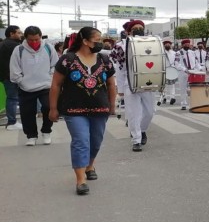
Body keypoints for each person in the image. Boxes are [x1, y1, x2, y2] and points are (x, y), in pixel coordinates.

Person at [48, 27, 117, 195]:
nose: (100, 43)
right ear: (85, 41)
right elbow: (56, 84)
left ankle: (90, 165)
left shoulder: (105, 59)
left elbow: (110, 84)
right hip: (74, 109)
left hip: (99, 107)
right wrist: (53, 108)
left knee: (96, 141)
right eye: (96, 40)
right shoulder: (67, 60)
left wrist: (112, 105)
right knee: (81, 141)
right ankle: (80, 180)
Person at [9, 25, 58, 146]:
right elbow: (14, 69)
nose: (34, 42)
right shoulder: (19, 50)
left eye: (37, 39)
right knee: (27, 112)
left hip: (46, 86)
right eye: (31, 40)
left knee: (48, 107)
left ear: (41, 37)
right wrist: (21, 81)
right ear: (25, 38)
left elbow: (55, 65)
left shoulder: (48, 47)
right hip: (26, 87)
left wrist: (50, 77)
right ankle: (31, 135)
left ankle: (46, 131)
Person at [110, 20, 155, 151]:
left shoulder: (150, 43)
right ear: (128, 32)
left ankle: (142, 130)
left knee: (150, 112)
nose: (139, 30)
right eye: (135, 28)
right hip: (129, 83)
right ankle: (136, 139)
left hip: (148, 82)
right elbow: (119, 68)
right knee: (133, 113)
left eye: (141, 28)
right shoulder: (120, 46)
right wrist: (121, 88)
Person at [1, 25, 23, 130]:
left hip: (6, 75)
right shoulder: (13, 46)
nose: (20, 35)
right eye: (18, 33)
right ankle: (11, 122)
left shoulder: (3, 44)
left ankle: (11, 119)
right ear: (11, 34)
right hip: (11, 76)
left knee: (12, 98)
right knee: (12, 98)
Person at [160, 39, 177, 106]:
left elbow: (176, 61)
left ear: (170, 45)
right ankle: (164, 97)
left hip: (172, 70)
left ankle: (172, 97)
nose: (167, 45)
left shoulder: (174, 53)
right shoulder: (161, 53)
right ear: (164, 45)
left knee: (172, 85)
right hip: (164, 69)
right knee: (164, 85)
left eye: (168, 44)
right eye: (166, 44)